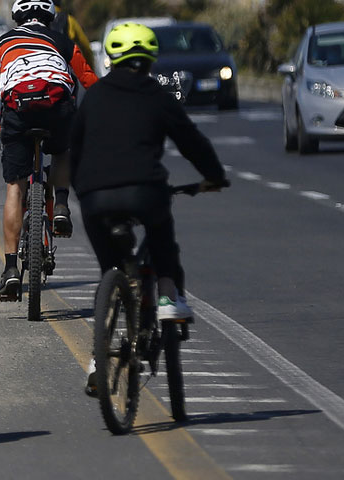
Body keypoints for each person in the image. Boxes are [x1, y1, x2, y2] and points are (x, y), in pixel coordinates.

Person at [71, 23, 227, 325]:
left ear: (112, 59)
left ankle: (99, 354)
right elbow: (191, 142)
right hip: (144, 191)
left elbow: (74, 150)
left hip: (94, 197)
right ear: (151, 58)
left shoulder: (93, 97)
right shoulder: (157, 96)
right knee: (161, 234)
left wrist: (82, 190)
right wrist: (215, 176)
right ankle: (168, 295)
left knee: (110, 269)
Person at [0, 0, 98, 300]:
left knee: (15, 186)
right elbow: (91, 82)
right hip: (57, 109)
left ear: (17, 16)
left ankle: (11, 269)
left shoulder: (3, 43)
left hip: (18, 113)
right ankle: (61, 204)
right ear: (51, 17)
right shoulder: (64, 43)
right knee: (62, 150)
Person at [48, 0, 96, 69]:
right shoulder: (69, 19)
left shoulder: (40, 21)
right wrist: (90, 68)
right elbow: (86, 46)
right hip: (66, 66)